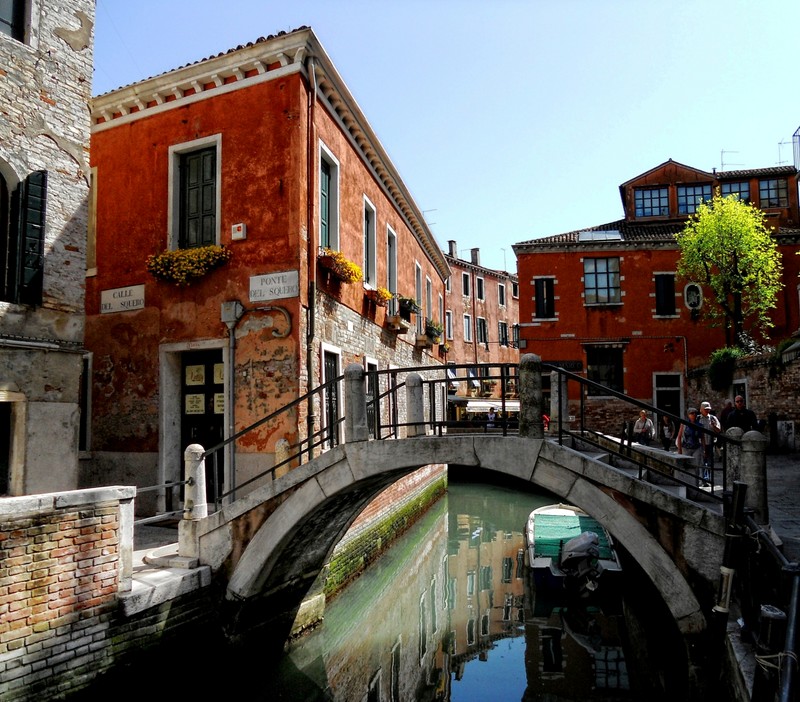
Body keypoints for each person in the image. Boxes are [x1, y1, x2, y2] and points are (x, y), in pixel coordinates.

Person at [698, 401, 721, 481]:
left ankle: (709, 478)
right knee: (703, 461)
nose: (707, 411)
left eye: (708, 409)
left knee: (710, 462)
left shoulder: (713, 418)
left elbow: (718, 430)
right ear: (701, 409)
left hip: (711, 443)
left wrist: (714, 426)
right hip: (701, 443)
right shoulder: (698, 419)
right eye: (705, 409)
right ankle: (705, 478)